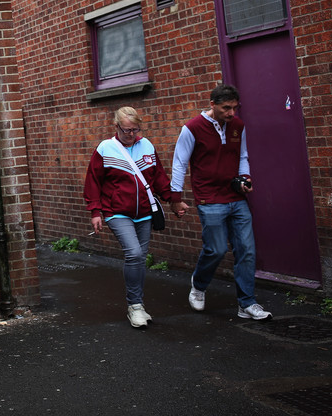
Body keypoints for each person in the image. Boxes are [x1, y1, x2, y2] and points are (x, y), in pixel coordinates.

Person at [170, 84, 272, 320]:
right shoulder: (192, 128)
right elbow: (179, 164)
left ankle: (246, 303)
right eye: (226, 108)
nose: (231, 113)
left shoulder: (238, 126)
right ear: (212, 104)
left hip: (236, 198)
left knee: (246, 250)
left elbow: (242, 156)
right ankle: (199, 284)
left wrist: (245, 179)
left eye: (235, 108)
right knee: (215, 250)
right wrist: (175, 199)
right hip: (209, 199)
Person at [84, 107, 174, 328]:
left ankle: (139, 305)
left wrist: (174, 199)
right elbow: (93, 181)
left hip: (144, 212)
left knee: (140, 258)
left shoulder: (147, 146)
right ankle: (134, 306)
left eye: (135, 130)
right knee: (133, 253)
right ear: (117, 127)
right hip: (116, 212)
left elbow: (159, 177)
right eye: (126, 130)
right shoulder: (105, 149)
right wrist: (95, 212)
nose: (131, 135)